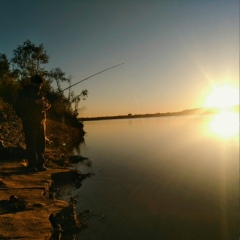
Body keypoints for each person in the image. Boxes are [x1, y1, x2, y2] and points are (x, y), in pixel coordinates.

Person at [15, 74, 51, 172]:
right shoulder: (25, 91)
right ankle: (32, 165)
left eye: (40, 85)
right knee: (31, 143)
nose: (39, 86)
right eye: (38, 84)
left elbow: (48, 104)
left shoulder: (41, 93)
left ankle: (40, 164)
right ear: (34, 83)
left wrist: (45, 104)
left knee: (41, 143)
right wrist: (34, 102)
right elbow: (20, 104)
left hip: (41, 121)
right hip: (29, 121)